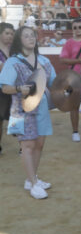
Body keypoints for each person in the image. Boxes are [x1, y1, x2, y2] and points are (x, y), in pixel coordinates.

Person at [0, 26, 57, 199]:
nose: (31, 38)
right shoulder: (12, 62)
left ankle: (31, 179)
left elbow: (55, 82)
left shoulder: (44, 61)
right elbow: (5, 87)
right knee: (27, 145)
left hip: (41, 107)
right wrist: (19, 88)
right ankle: (33, 184)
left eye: (32, 35)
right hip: (19, 109)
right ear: (19, 40)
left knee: (39, 144)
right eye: (26, 36)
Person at [0, 22, 15, 154]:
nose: (10, 36)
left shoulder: (14, 51)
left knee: (19, 116)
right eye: (7, 33)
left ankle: (24, 146)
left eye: (11, 33)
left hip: (14, 88)